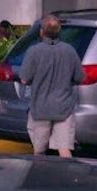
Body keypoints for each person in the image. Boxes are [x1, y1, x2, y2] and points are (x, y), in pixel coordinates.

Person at [19, 14, 85, 158]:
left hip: (40, 109)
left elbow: (24, 79)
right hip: (64, 109)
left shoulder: (34, 52)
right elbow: (80, 77)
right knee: (64, 149)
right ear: (59, 31)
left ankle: (41, 176)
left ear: (42, 31)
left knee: (39, 151)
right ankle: (67, 178)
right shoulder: (69, 51)